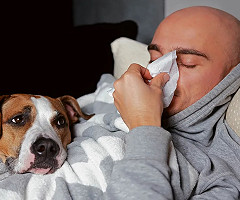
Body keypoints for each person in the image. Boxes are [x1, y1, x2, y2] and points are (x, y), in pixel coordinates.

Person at [105, 6, 240, 199]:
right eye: (154, 59)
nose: (160, 73)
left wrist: (144, 124)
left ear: (233, 77)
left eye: (186, 63)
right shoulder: (109, 99)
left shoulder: (221, 176)